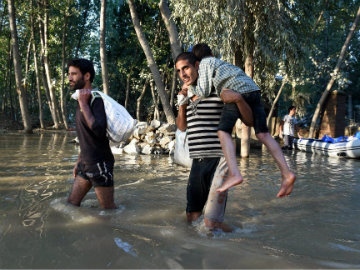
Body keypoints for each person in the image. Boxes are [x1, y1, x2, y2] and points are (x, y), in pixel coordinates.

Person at [189, 43, 296, 198]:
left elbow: (204, 91)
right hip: (253, 90)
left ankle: (235, 174)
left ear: (197, 62)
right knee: (263, 135)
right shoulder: (222, 64)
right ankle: (287, 174)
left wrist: (190, 89)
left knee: (223, 131)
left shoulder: (205, 63)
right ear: (212, 52)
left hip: (236, 91)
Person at [175, 52, 247, 232]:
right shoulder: (187, 95)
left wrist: (238, 98)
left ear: (197, 66)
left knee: (211, 224)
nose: (183, 74)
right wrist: (182, 105)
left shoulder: (219, 90)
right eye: (179, 71)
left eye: (186, 68)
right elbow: (181, 127)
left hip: (219, 161)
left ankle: (244, 238)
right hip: (197, 162)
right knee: (192, 218)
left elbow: (249, 119)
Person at [67, 59, 116, 209]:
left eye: (74, 74)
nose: (70, 78)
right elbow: (86, 136)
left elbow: (99, 131)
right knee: (71, 205)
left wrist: (83, 104)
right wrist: (79, 160)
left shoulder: (96, 99)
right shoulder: (81, 99)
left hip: (100, 164)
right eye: (69, 74)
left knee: (109, 212)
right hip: (85, 165)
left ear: (87, 76)